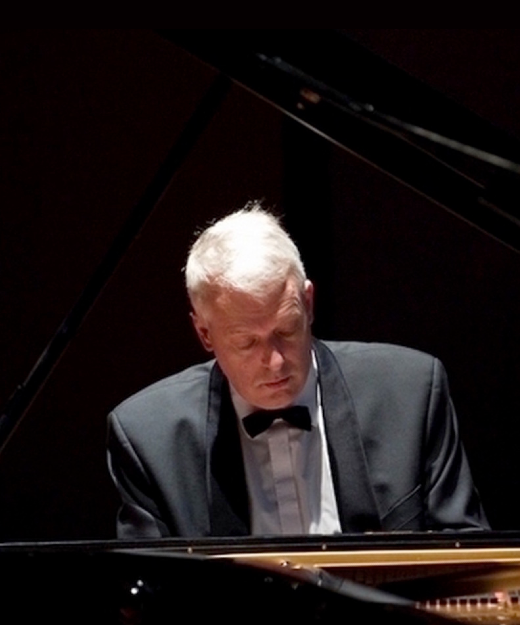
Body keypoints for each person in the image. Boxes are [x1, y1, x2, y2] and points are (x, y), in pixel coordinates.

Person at [107, 205, 488, 538]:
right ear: (204, 333)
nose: (274, 361)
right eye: (247, 343)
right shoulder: (148, 439)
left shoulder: (410, 393)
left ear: (307, 302)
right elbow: (151, 602)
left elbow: (468, 560)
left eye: (286, 331)